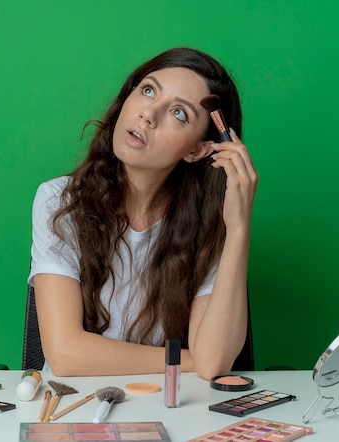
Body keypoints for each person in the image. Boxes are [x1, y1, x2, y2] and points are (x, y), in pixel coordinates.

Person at [29, 47, 258, 380]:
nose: (148, 115)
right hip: (72, 405)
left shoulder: (209, 224)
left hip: (167, 407)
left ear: (197, 149)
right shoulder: (60, 200)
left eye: (179, 113)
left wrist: (238, 227)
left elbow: (216, 359)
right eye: (148, 90)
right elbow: (65, 355)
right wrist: (193, 360)